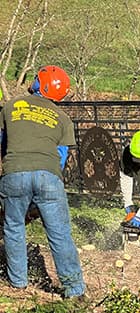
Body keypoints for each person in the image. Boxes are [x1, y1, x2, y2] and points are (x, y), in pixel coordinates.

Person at [0, 65, 86, 299]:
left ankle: (18, 283)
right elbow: (61, 157)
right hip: (48, 176)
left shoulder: (12, 106)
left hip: (14, 172)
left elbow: (2, 143)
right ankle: (74, 290)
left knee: (14, 227)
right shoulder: (62, 118)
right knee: (59, 233)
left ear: (40, 84)